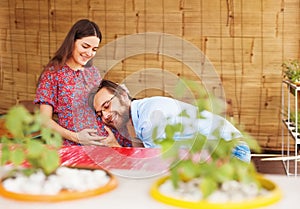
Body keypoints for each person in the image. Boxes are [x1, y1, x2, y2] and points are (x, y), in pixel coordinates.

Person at [88, 79, 251, 162]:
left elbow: (156, 165)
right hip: (219, 149)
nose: (105, 116)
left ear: (123, 95)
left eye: (107, 106)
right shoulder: (141, 113)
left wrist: (115, 147)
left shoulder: (150, 117)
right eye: (100, 113)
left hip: (231, 151)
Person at [34, 19, 131, 147]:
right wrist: (77, 137)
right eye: (85, 46)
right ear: (72, 42)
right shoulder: (52, 74)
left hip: (110, 141)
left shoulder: (93, 72)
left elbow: (102, 107)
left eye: (94, 49)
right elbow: (44, 120)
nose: (89, 53)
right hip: (76, 145)